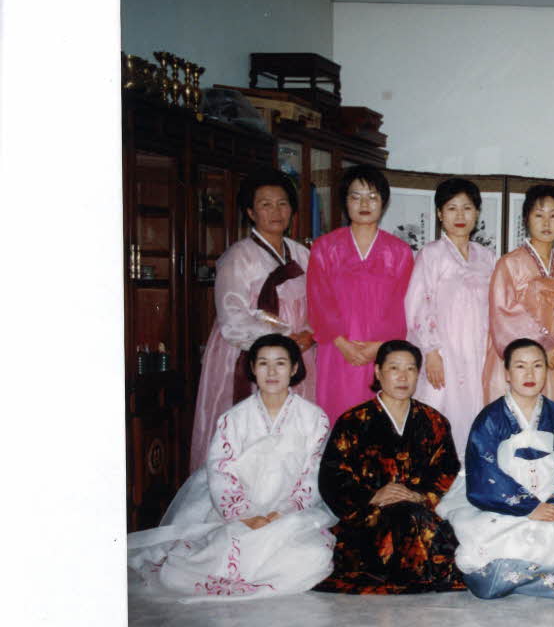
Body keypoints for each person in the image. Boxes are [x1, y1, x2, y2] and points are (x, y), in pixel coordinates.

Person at [130, 335, 334, 600]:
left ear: (294, 368)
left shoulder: (314, 418)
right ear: (252, 368)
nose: (272, 372)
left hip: (290, 513)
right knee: (208, 558)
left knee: (316, 556)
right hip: (240, 512)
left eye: (280, 363)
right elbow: (221, 471)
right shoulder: (233, 419)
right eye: (263, 363)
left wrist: (282, 513)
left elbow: (313, 473)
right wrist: (246, 515)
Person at [445, 339, 554, 598]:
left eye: (537, 365)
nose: (530, 374)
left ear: (546, 370)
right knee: (504, 544)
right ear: (507, 373)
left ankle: (522, 578)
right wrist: (529, 507)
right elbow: (484, 471)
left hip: (550, 500)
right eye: (521, 366)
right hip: (504, 504)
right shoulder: (490, 418)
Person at [188, 173, 315, 471]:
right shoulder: (237, 257)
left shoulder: (303, 255)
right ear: (250, 212)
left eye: (282, 203)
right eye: (265, 204)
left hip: (298, 351)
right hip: (248, 352)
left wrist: (311, 333)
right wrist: (282, 340)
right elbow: (232, 316)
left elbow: (318, 304)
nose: (276, 211)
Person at [315, 340, 462, 593]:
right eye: (394, 368)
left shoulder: (434, 421)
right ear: (378, 371)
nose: (403, 377)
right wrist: (373, 495)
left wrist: (420, 495)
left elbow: (446, 468)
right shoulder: (353, 421)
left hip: (420, 513)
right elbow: (332, 476)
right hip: (369, 516)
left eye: (410, 369)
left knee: (416, 517)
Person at [306, 167, 415, 426]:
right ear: (345, 202)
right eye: (356, 197)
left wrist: (379, 346)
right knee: (338, 417)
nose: (364, 204)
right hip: (336, 349)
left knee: (379, 420)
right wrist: (341, 342)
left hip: (382, 351)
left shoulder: (399, 252)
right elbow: (318, 299)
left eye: (372, 197)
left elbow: (404, 304)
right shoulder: (325, 248)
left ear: (383, 202)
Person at [405, 175, 493, 457]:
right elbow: (417, 305)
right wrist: (430, 352)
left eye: (467, 208)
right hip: (443, 352)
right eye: (452, 208)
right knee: (439, 411)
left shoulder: (487, 257)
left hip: (478, 351)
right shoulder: (431, 255)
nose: (460, 215)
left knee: (477, 409)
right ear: (440, 214)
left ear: (476, 213)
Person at [483, 182, 554, 404]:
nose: (546, 223)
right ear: (526, 219)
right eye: (539, 215)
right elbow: (503, 314)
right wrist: (543, 346)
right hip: (518, 361)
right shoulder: (509, 263)